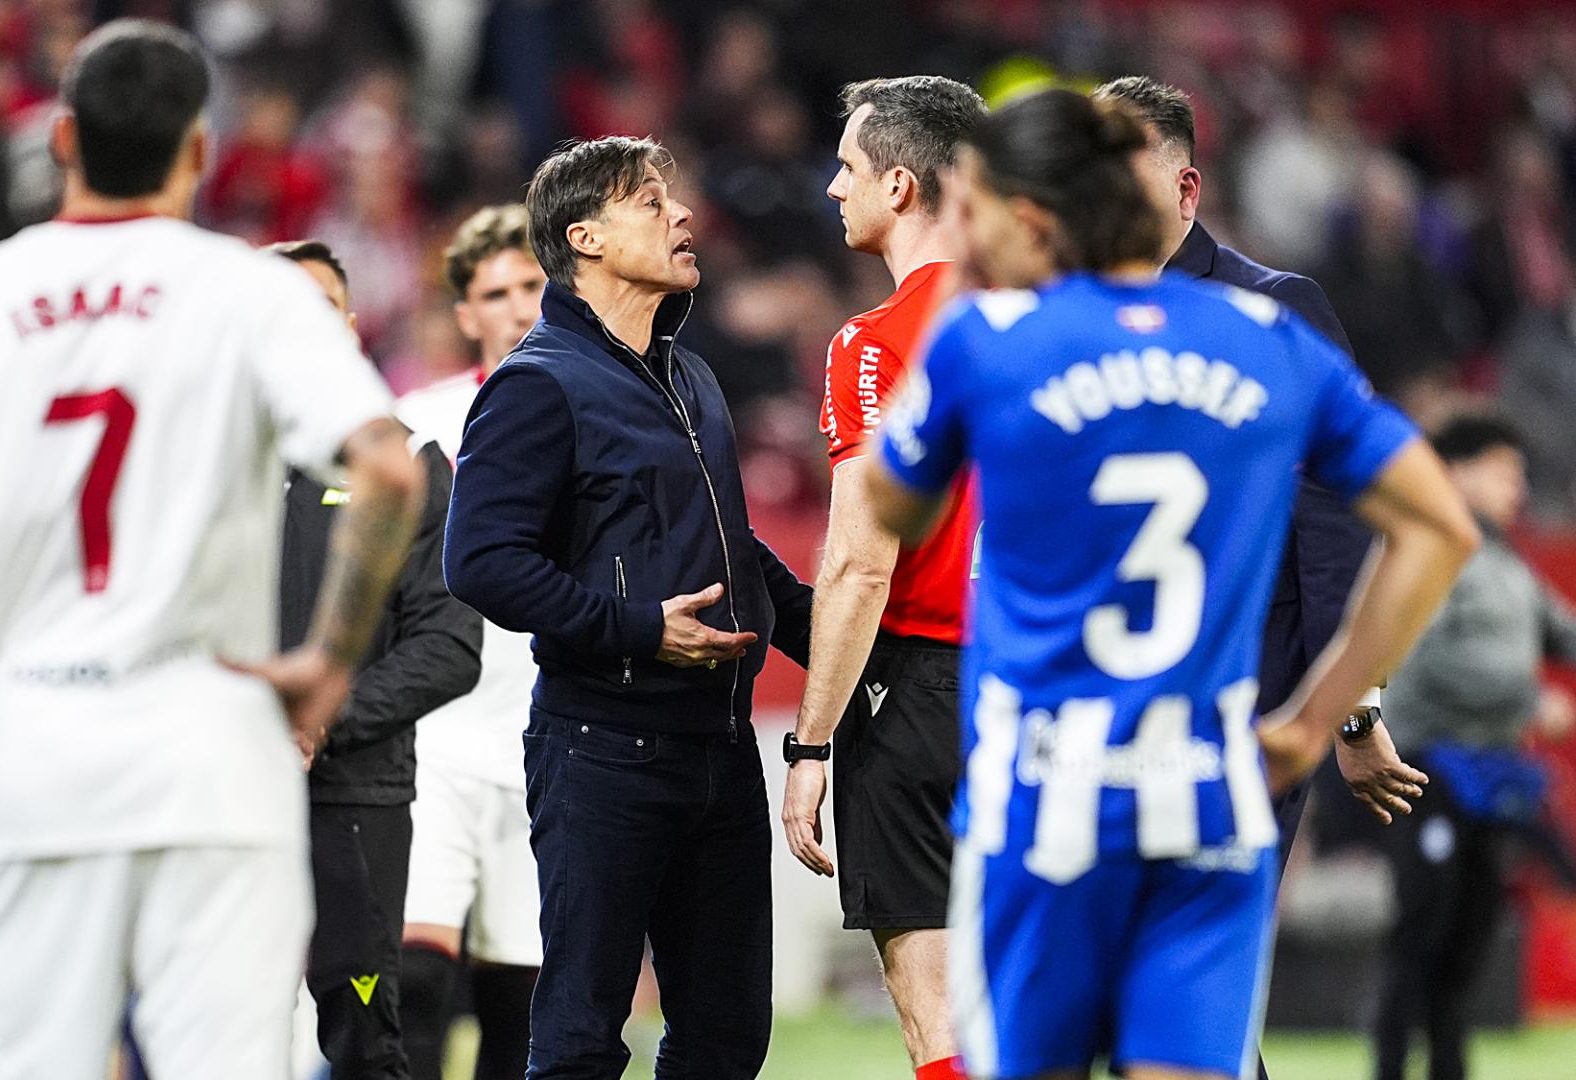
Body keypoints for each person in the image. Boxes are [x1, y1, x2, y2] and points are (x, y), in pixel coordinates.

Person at [0, 21, 424, 1080]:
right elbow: (386, 467)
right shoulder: (248, 294)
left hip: (32, 757)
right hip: (211, 761)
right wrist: (329, 657)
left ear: (61, 140)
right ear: (197, 150)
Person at [863, 88, 1477, 1080]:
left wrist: (958, 306)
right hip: (1206, 791)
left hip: (1045, 793)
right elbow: (1438, 528)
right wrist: (1322, 719)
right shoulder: (1266, 338)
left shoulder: (994, 343)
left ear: (1032, 219)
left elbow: (891, 505)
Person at [443, 136, 815, 1080]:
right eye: (652, 202)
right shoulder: (537, 381)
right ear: (587, 238)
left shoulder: (688, 373)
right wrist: (640, 629)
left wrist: (849, 646)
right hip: (602, 750)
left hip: (722, 753)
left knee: (728, 1040)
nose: (682, 214)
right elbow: (480, 562)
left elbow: (735, 548)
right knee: (579, 1036)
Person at [1095, 75, 1428, 843]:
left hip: (1242, 685)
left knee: (1205, 937)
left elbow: (1334, 516)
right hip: (1103, 696)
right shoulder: (1064, 315)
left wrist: (1351, 714)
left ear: (1184, 189)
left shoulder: (1273, 309)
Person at [781, 75, 983, 1080]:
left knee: (936, 1010)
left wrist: (810, 744)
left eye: (848, 168)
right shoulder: (1054, 317)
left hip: (920, 690)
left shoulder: (876, 343)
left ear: (899, 185)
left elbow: (863, 563)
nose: (831, 189)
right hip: (1051, 685)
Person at [269, 238, 484, 1080]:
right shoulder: (202, 465)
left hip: (353, 795)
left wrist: (322, 720)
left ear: (351, 326)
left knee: (362, 1033)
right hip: (216, 788)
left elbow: (449, 646)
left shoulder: (411, 465)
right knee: (208, 1032)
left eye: (320, 306)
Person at [1374, 416, 1576, 1080]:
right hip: (1424, 769)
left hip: (1487, 775)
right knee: (1419, 940)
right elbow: (1418, 657)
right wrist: (1526, 703)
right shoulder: (1427, 546)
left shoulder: (1506, 564)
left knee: (1466, 947)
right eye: (1500, 470)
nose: (1515, 486)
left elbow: (1561, 632)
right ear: (1454, 472)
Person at [392, 205, 546, 1080]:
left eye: (532, 284)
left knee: (518, 1010)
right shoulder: (417, 422)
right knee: (411, 980)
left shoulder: (603, 408)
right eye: (496, 292)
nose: (519, 306)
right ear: (465, 315)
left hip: (547, 739)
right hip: (436, 737)